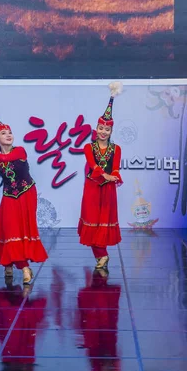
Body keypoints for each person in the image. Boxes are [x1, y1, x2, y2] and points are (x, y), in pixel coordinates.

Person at [0, 99, 48, 284]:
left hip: (27, 194)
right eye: (3, 133)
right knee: (9, 230)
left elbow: (8, 157)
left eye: (10, 132)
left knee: (23, 230)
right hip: (9, 196)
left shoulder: (20, 151)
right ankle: (20, 266)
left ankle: (18, 266)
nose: (8, 135)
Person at [78, 82, 123, 270]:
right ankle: (101, 255)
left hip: (108, 190)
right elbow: (92, 164)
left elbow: (116, 168)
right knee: (91, 222)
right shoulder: (89, 147)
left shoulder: (116, 148)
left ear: (111, 131)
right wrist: (104, 175)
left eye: (107, 129)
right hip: (92, 188)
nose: (103, 132)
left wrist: (113, 176)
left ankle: (102, 255)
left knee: (103, 222)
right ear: (96, 129)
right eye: (101, 128)